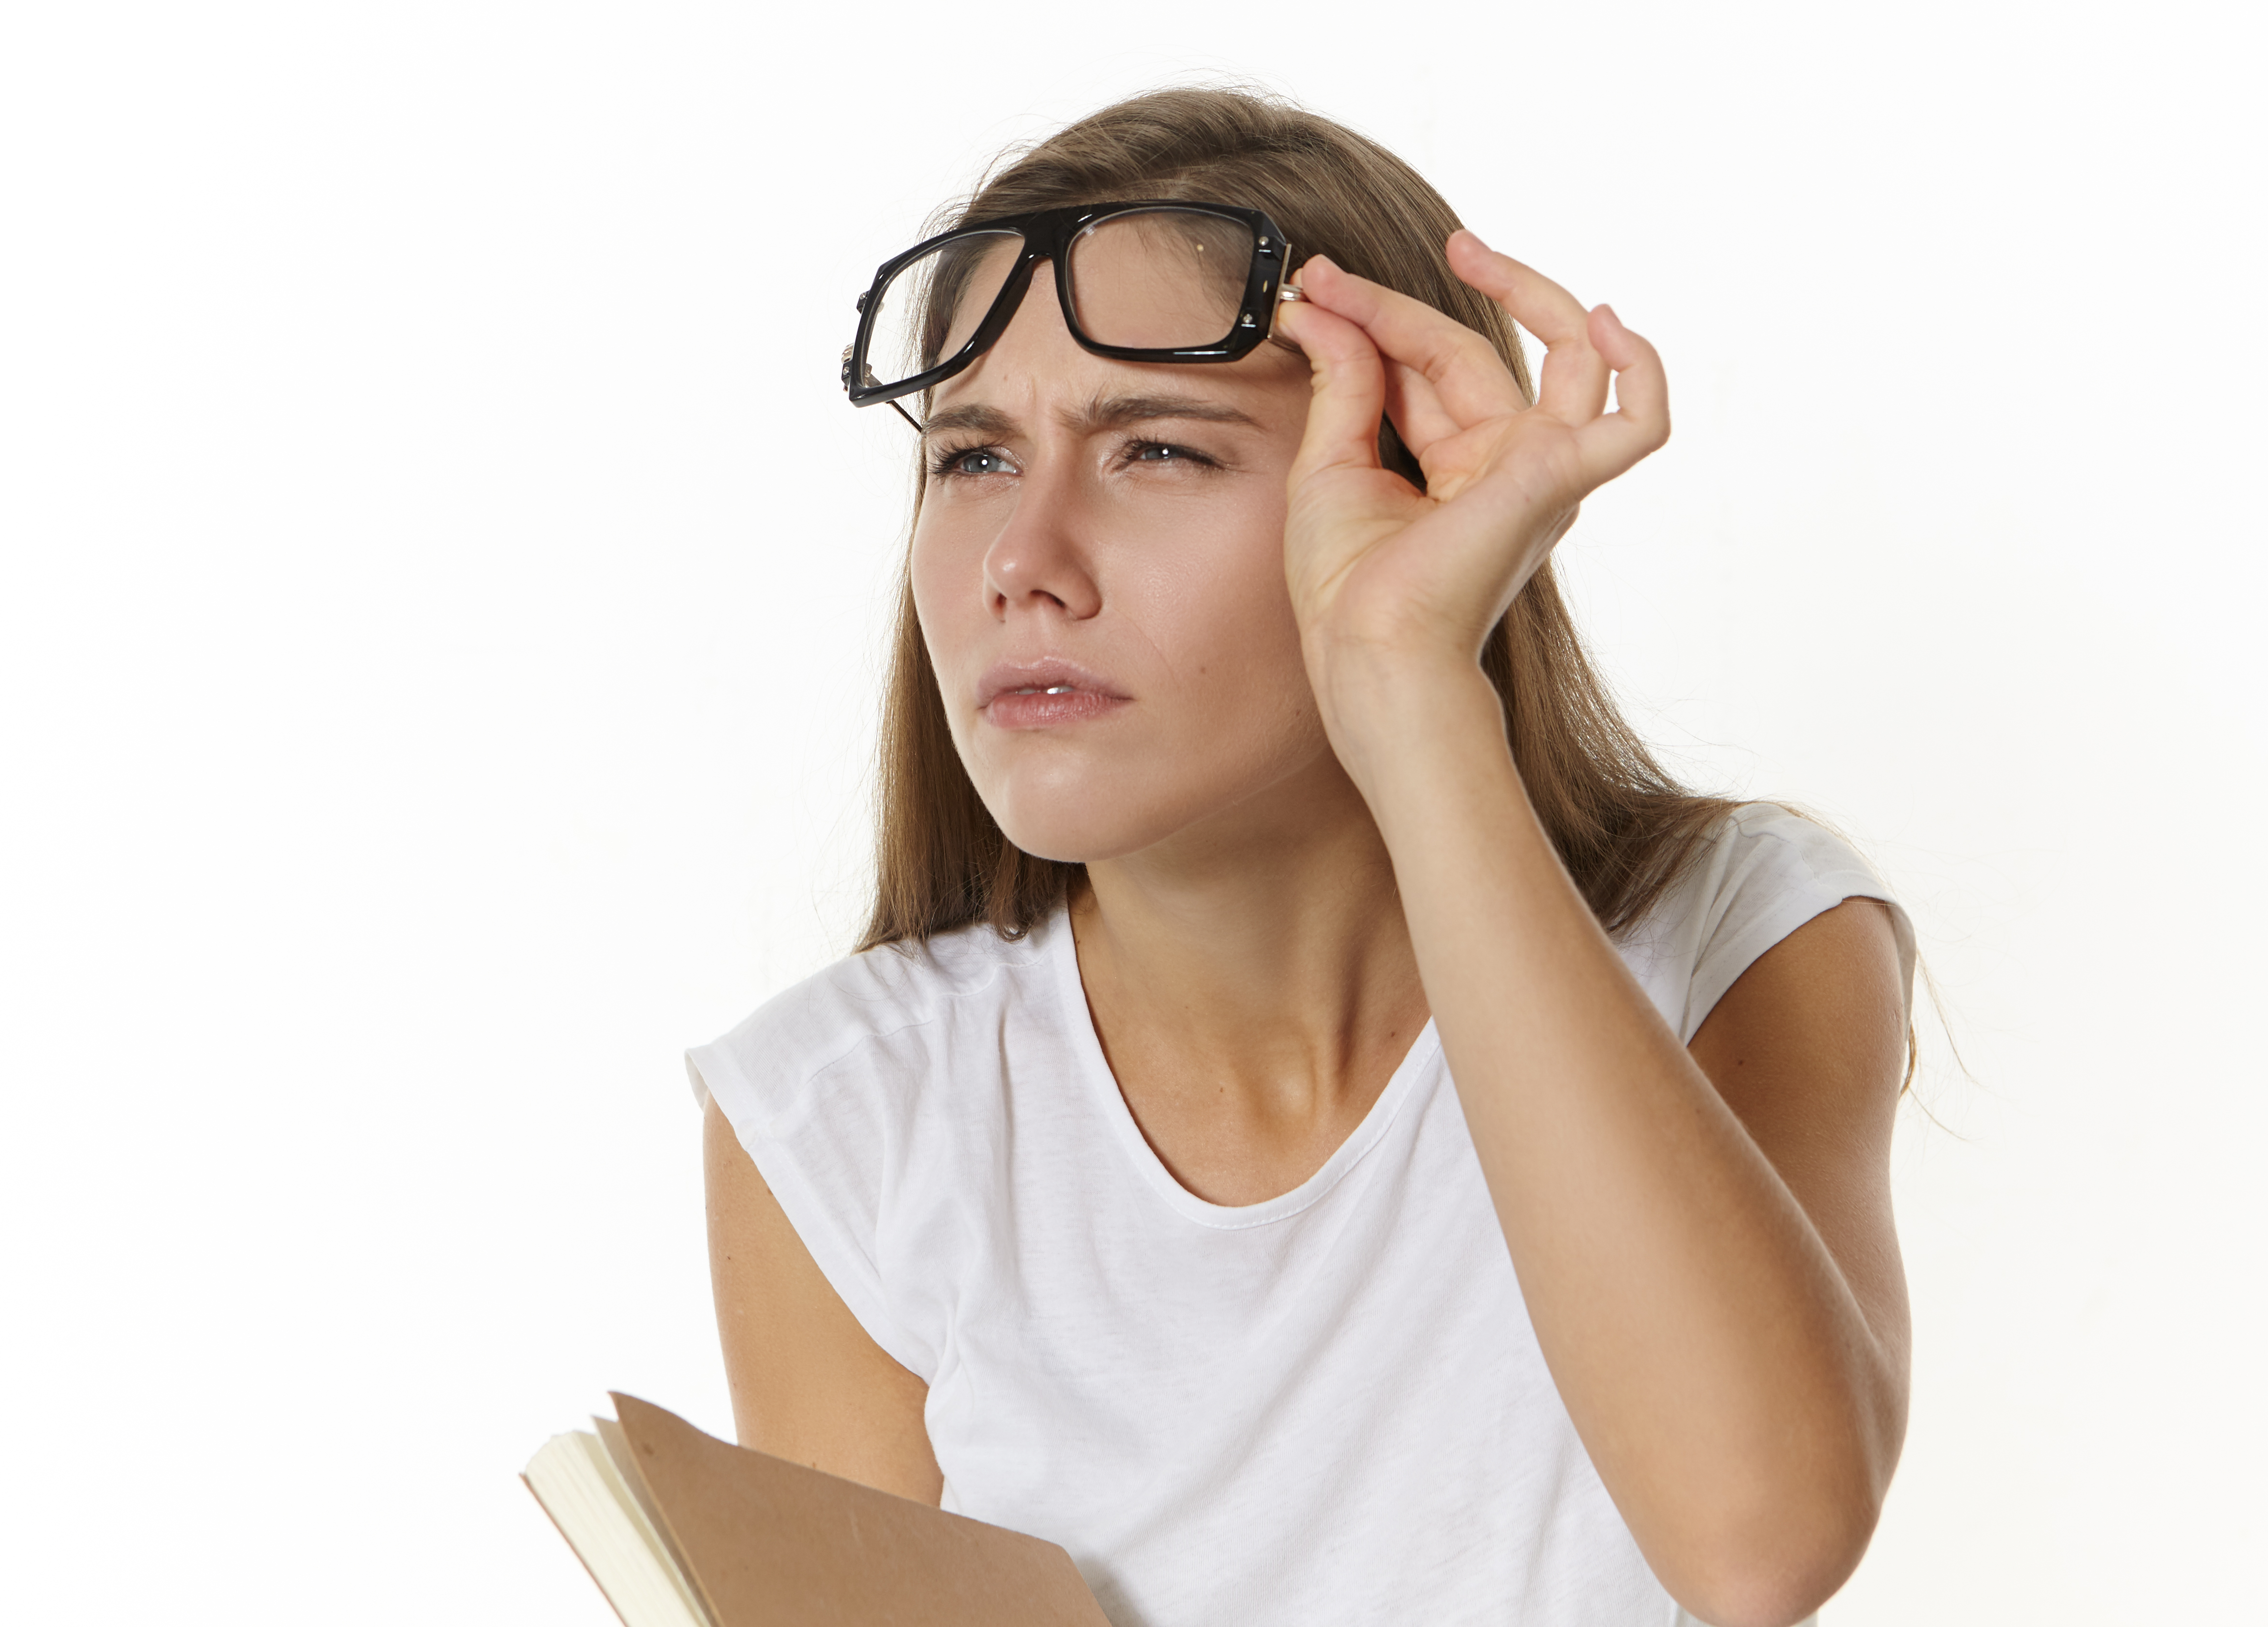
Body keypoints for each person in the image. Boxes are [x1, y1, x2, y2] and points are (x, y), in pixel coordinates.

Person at [688, 86, 1914, 1627]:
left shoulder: (1738, 937)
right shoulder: (846, 1114)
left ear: (1406, 491)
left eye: (1157, 450)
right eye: (974, 459)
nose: (1022, 562)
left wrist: (1409, 674)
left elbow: (1760, 1543)